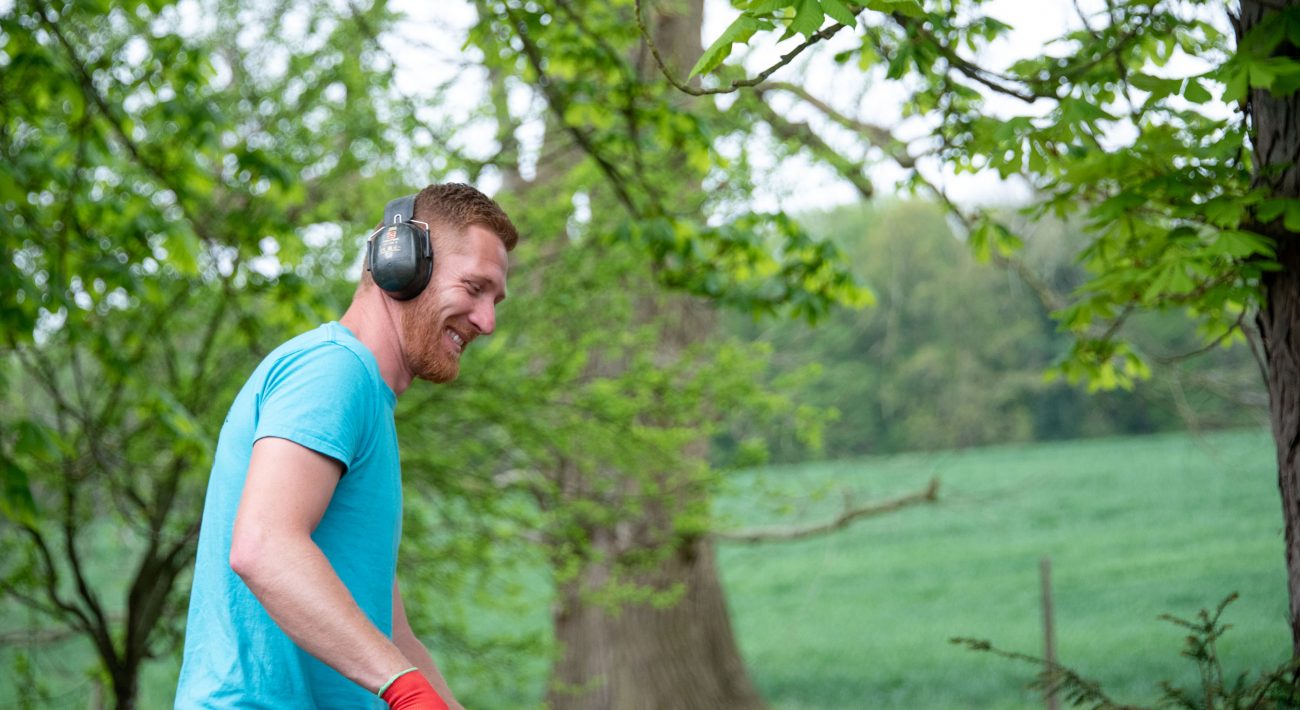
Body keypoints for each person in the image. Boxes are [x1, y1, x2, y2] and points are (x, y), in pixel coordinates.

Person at [175, 183, 519, 709]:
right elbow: (264, 546)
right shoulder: (333, 372)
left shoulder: (367, 404)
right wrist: (405, 692)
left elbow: (391, 634)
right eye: (474, 288)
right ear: (401, 264)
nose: (487, 321)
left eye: (494, 301)